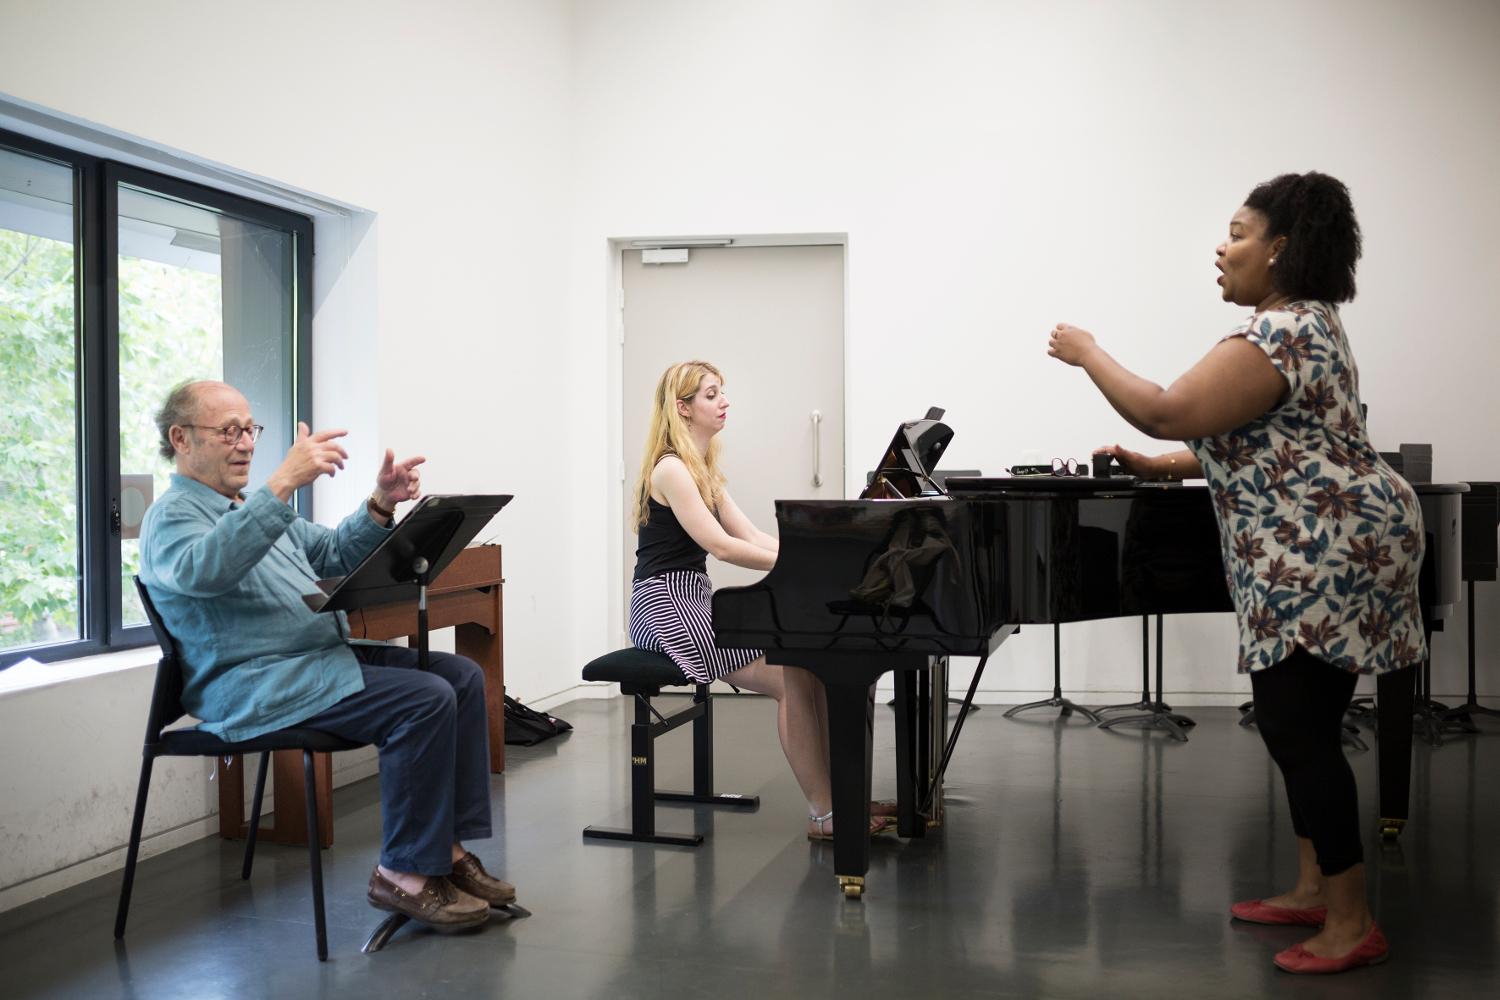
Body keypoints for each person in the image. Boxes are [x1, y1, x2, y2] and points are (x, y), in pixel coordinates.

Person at [1047, 172, 1421, 974]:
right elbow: (1252, 436)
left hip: (1324, 551)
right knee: (1305, 727)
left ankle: (1352, 923)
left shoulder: (1282, 332)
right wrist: (1159, 467)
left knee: (1293, 726)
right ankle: (1313, 888)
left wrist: (1088, 354)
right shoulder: (1304, 327)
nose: (1223, 248)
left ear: (1280, 248)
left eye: (1239, 233)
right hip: (1323, 543)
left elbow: (1168, 407)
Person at [139, 379, 513, 933]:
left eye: (250, 429)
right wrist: (283, 482)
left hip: (312, 663)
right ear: (181, 438)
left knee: (457, 676)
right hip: (257, 685)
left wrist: (381, 504)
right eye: (229, 431)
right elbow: (206, 572)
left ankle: (445, 852)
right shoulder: (171, 517)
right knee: (423, 698)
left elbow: (334, 552)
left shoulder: (246, 506)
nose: (245, 443)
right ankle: (403, 875)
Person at [628, 360, 895, 839]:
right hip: (664, 603)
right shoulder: (671, 469)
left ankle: (844, 798)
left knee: (814, 669)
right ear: (683, 409)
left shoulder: (703, 468)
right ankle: (825, 815)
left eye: (721, 392)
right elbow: (723, 546)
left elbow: (750, 534)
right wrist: (801, 569)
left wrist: (816, 559)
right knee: (793, 675)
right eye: (711, 395)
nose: (724, 401)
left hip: (694, 596)